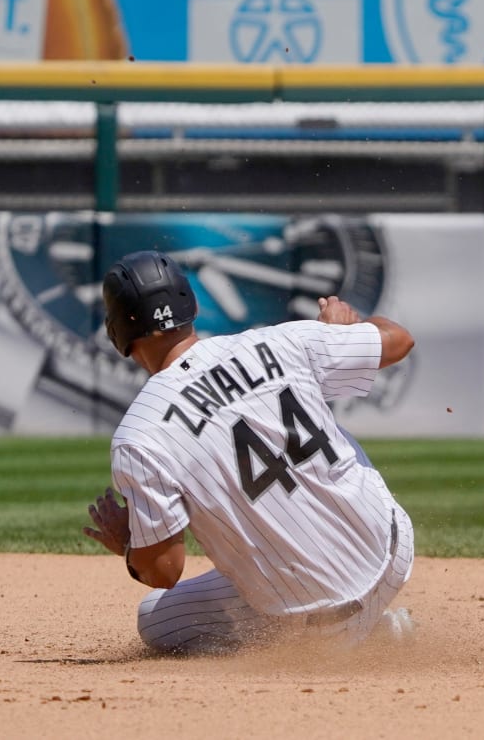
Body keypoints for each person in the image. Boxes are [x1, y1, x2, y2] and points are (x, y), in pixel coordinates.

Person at [83, 250, 416, 654]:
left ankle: (355, 637)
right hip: (393, 551)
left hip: (321, 621)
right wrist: (342, 330)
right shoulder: (282, 340)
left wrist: (131, 545)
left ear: (119, 328)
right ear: (190, 302)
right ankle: (370, 625)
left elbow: (165, 571)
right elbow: (399, 339)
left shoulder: (140, 434)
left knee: (155, 617)